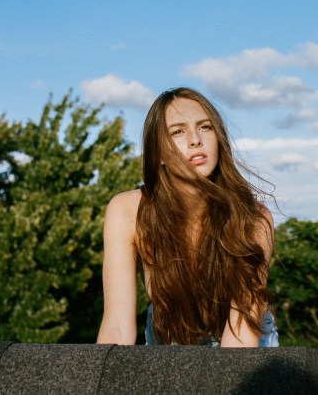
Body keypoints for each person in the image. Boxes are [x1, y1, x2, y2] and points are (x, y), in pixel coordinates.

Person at [96, 87, 277, 347]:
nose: (195, 139)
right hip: (170, 335)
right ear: (158, 153)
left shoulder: (253, 217)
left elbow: (240, 336)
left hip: (239, 339)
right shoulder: (127, 211)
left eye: (205, 127)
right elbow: (116, 327)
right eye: (177, 131)